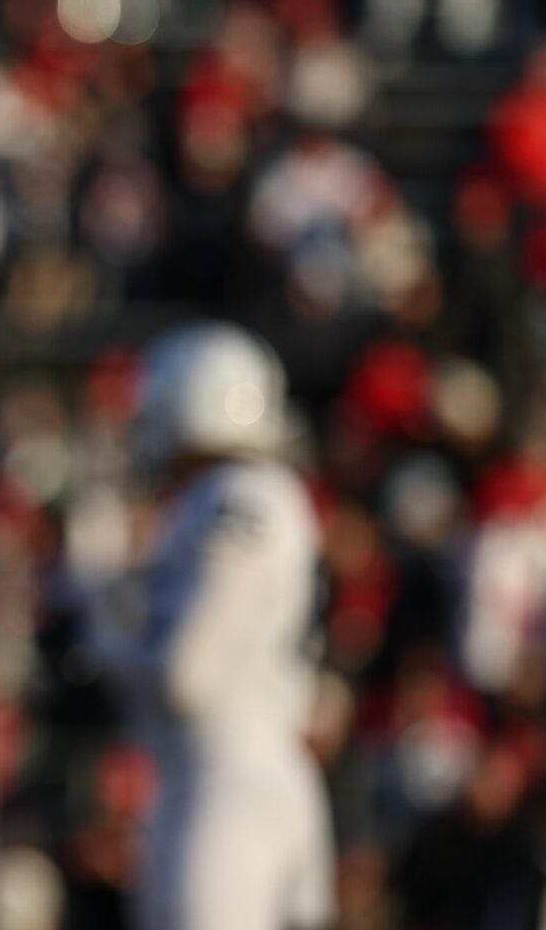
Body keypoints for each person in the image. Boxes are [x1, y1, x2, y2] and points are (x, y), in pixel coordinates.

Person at [93, 323, 333, 930]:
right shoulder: (231, 497)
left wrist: (111, 646)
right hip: (245, 779)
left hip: (226, 791)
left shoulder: (240, 496)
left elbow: (189, 674)